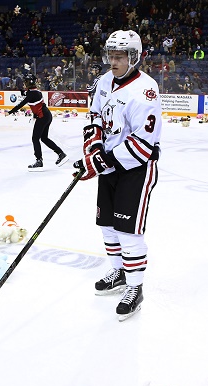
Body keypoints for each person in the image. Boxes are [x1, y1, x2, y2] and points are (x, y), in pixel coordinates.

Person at [72, 30, 161, 321]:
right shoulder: (103, 82)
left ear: (134, 58)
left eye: (120, 56)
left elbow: (144, 143)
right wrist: (93, 151)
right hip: (108, 167)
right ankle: (119, 272)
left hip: (135, 170)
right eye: (111, 56)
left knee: (128, 231)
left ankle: (136, 287)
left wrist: (102, 161)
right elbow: (95, 118)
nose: (114, 61)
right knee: (107, 225)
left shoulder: (146, 90)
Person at [5, 74, 68, 171]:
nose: (24, 84)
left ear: (29, 83)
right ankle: (61, 154)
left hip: (43, 117)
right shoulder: (34, 91)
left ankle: (39, 160)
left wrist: (9, 112)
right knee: (44, 138)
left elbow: (21, 104)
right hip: (46, 115)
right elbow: (27, 95)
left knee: (35, 138)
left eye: (25, 82)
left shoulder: (32, 94)